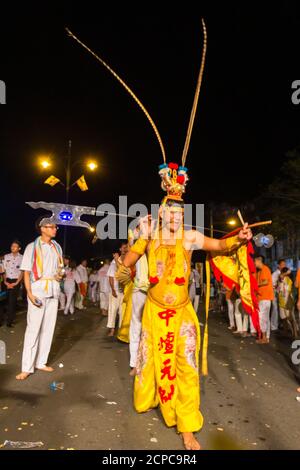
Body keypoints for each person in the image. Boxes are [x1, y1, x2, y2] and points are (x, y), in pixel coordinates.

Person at [118, 163, 253, 451]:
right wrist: (140, 235)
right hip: (154, 313)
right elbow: (127, 263)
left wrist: (237, 240)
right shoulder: (150, 235)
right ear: (162, 213)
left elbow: (218, 246)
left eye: (181, 214)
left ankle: (188, 427)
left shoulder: (190, 237)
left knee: (187, 368)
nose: (177, 218)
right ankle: (149, 398)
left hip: (182, 313)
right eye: (172, 213)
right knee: (150, 361)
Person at [16, 219, 63, 380]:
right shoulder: (32, 247)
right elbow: (27, 272)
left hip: (53, 289)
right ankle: (26, 367)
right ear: (42, 228)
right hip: (37, 290)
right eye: (52, 227)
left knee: (48, 328)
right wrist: (29, 292)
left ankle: (41, 362)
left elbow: (58, 269)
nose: (55, 229)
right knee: (33, 329)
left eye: (56, 226)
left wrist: (59, 275)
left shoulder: (56, 247)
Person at [107, 244, 129, 336]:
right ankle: (112, 330)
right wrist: (112, 290)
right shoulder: (115, 261)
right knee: (113, 310)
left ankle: (121, 330)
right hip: (116, 290)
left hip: (125, 291)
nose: (125, 249)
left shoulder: (129, 260)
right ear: (120, 249)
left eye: (126, 247)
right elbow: (111, 277)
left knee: (123, 312)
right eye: (123, 247)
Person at [1, 240, 23, 327]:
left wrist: (17, 282)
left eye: (15, 246)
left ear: (19, 248)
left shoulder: (22, 258)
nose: (12, 247)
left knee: (12, 302)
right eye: (12, 246)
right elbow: (3, 270)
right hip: (6, 281)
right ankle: (1, 320)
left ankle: (9, 322)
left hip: (15, 281)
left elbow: (22, 272)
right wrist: (5, 281)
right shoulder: (6, 256)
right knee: (3, 301)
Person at [254, 255, 274, 344]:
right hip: (262, 298)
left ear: (259, 261)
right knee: (264, 318)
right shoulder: (260, 271)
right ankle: (265, 337)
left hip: (265, 298)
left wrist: (256, 285)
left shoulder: (265, 269)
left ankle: (264, 338)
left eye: (254, 261)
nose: (254, 264)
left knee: (262, 318)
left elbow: (265, 281)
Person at [278, 267, 298, 337]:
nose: (281, 275)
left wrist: (285, 274)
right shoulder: (280, 280)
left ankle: (295, 333)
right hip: (281, 302)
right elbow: (279, 288)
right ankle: (285, 332)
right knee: (283, 318)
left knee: (291, 318)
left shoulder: (289, 280)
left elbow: (288, 290)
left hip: (287, 302)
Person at [271, 259, 287, 331]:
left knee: (281, 309)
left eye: (285, 264)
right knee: (275, 309)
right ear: (279, 265)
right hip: (275, 294)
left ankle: (280, 324)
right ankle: (274, 326)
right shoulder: (275, 274)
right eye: (283, 264)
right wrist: (277, 287)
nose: (284, 266)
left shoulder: (285, 273)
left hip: (283, 294)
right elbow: (272, 284)